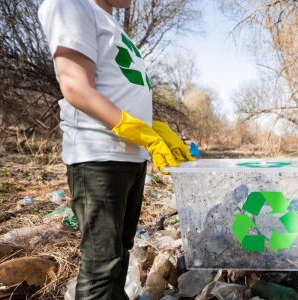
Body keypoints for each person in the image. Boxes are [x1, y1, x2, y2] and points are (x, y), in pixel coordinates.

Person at [38, 0, 194, 298]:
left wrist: (153, 128)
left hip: (129, 157)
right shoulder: (70, 4)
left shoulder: (109, 23)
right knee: (102, 264)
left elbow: (117, 89)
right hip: (98, 156)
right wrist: (139, 132)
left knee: (121, 251)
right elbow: (75, 86)